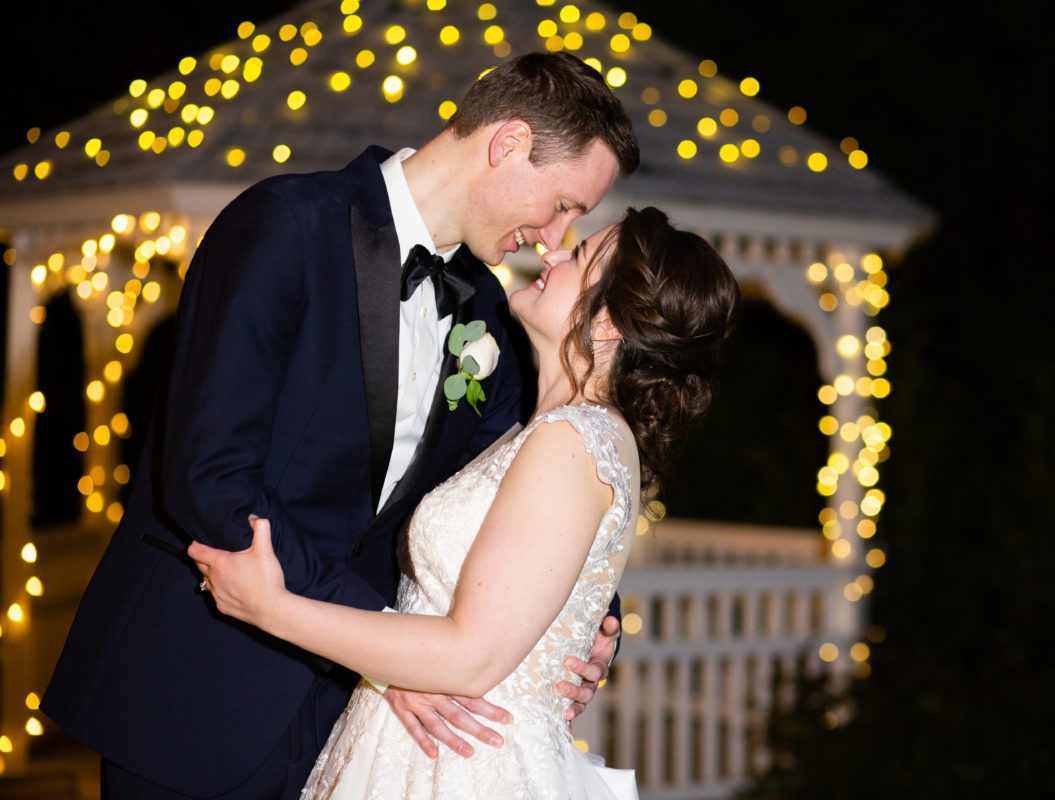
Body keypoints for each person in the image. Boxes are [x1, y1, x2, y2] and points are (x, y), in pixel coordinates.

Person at [41, 52, 640, 799]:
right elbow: (210, 481)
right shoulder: (284, 226)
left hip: (359, 734)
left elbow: (518, 486)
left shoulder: (490, 312)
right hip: (199, 690)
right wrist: (392, 648)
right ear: (509, 143)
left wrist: (585, 623)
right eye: (562, 203)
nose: (556, 238)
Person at [190, 206, 741, 798]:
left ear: (607, 324)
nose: (552, 253)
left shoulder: (574, 440)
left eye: (579, 256)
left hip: (459, 761)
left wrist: (270, 607)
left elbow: (470, 658)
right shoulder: (553, 429)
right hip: (424, 738)